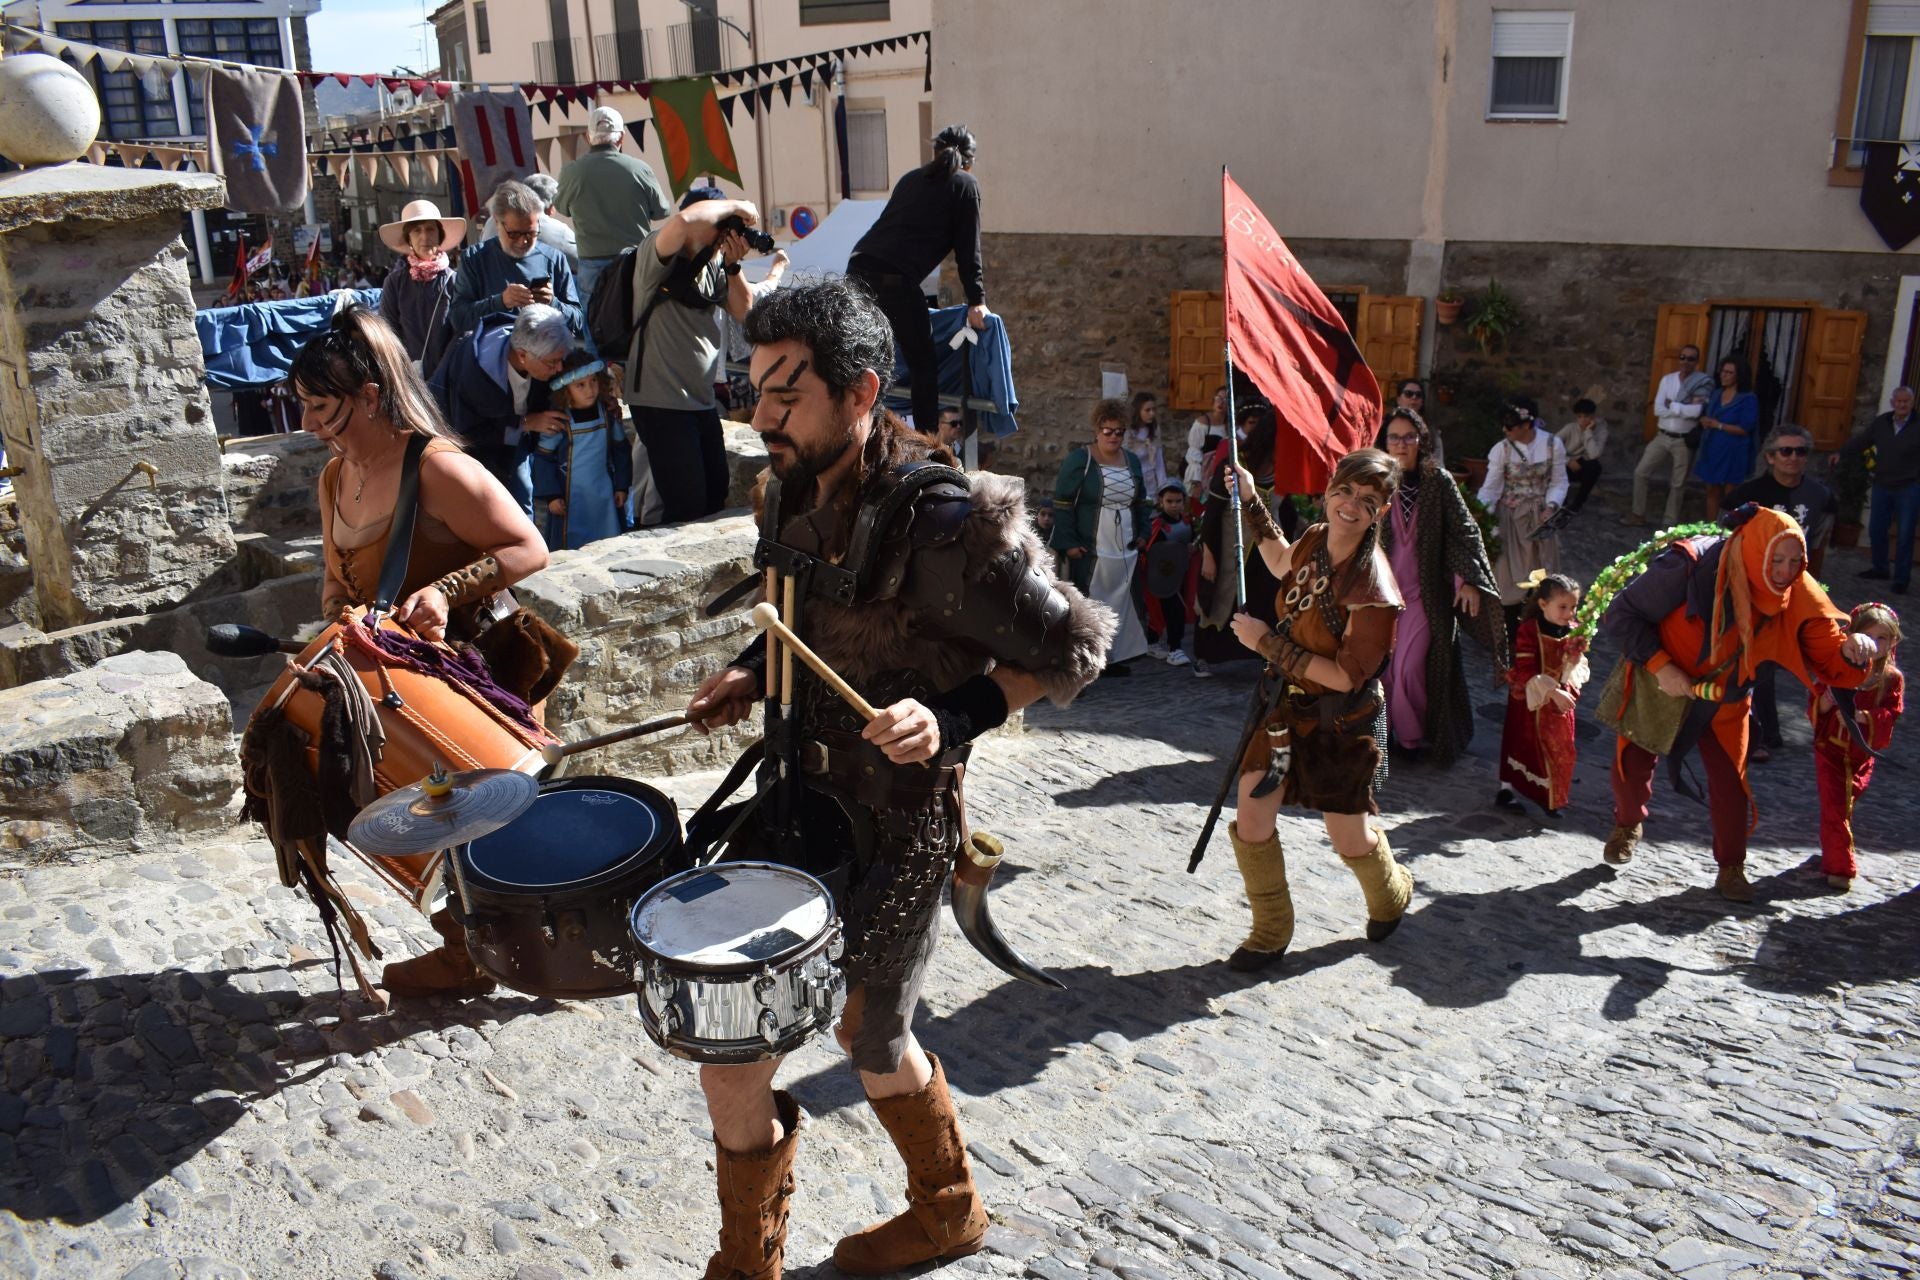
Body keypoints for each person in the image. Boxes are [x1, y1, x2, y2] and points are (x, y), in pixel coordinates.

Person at [678, 278, 1111, 1279]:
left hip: (903, 819)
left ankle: (949, 1208)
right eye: (756, 388)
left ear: (861, 391)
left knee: (872, 1037)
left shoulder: (953, 524)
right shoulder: (785, 488)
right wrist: (751, 672)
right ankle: (749, 1259)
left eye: (787, 394)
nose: (762, 415)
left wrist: (955, 713)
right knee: (732, 1036)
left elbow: (1074, 648)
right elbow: (797, 620)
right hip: (797, 798)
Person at [289, 306, 550, 996]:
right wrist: (335, 631)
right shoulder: (332, 478)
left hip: (474, 673)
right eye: (305, 408)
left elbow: (529, 547)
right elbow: (333, 580)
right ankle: (469, 945)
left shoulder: (434, 468)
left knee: (485, 821)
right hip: (398, 679)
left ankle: (521, 944)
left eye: (322, 408)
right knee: (436, 817)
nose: (310, 426)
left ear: (370, 397)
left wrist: (443, 590)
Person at [1598, 506, 1879, 902]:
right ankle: (1627, 823)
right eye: (1775, 559)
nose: (1784, 571)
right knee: (1632, 765)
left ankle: (1731, 866)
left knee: (1732, 783)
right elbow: (1621, 614)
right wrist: (1661, 665)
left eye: (1794, 561)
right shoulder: (1688, 563)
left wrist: (1852, 653)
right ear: (1754, 549)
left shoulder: (1796, 590)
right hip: (1660, 678)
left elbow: (1833, 662)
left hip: (1726, 696)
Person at [1219, 448, 1412, 972]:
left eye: (1366, 500)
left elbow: (1347, 676)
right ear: (1330, 489)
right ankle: (1270, 930)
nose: (1350, 505)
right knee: (1252, 812)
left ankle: (1391, 894)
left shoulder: (1375, 589)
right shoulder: (1314, 540)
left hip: (1339, 724)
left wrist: (1266, 644)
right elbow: (1281, 560)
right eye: (1344, 491)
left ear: (1382, 510)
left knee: (1346, 834)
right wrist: (1253, 501)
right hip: (1283, 712)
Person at [623, 187, 760, 525]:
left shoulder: (713, 265)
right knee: (686, 503)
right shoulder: (656, 254)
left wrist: (732, 264)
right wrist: (738, 206)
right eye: (721, 225)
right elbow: (683, 221)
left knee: (715, 493)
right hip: (661, 401)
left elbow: (745, 311)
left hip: (699, 400)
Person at [1377, 407, 1505, 764]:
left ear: (1421, 441)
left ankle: (1413, 739)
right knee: (1382, 670)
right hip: (1380, 597)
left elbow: (1465, 531)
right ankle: (1383, 737)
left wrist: (1468, 582)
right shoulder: (1376, 479)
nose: (1401, 444)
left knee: (1408, 668)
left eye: (1408, 437)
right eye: (1394, 437)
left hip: (1424, 597)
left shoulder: (1439, 482)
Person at [847, 124, 989, 434]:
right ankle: (927, 444)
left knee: (869, 358)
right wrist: (977, 301)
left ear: (935, 152)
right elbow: (969, 251)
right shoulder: (965, 185)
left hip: (858, 266)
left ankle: (861, 429)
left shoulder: (912, 178)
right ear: (970, 161)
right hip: (894, 278)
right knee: (923, 366)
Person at [1729, 424, 1838, 761]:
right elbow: (1728, 542)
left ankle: (1770, 731)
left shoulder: (1821, 497)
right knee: (1755, 658)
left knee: (1775, 659)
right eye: (1786, 451)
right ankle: (1760, 733)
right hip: (1751, 588)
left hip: (1794, 589)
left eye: (1800, 451)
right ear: (1770, 457)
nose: (1793, 457)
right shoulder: (1747, 496)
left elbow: (1818, 546)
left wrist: (1813, 591)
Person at [428, 303, 573, 517]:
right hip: (462, 450)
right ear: (523, 355)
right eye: (552, 363)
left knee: (520, 506)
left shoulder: (541, 351)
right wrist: (525, 423)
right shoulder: (475, 372)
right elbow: (467, 433)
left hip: (512, 442)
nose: (559, 369)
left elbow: (572, 374)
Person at [1049, 398, 1152, 674]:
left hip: (1125, 547)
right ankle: (1089, 660)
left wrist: (1144, 533)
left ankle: (1114, 657)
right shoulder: (1080, 460)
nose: (1114, 437)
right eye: (1108, 431)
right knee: (1090, 602)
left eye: (1119, 432)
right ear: (1097, 430)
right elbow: (1062, 503)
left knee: (1121, 602)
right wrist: (1069, 542)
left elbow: (1141, 501)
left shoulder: (1131, 461)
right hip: (1091, 547)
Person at [1809, 603, 1903, 892]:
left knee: (1844, 805)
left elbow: (1891, 713)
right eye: (1869, 636)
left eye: (1883, 638)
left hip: (1861, 756)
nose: (1875, 644)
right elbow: (1815, 703)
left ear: (1893, 641)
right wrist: (1826, 702)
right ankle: (1840, 867)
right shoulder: (1836, 667)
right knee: (1835, 807)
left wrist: (1864, 717)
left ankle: (1833, 846)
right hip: (1831, 750)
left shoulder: (1890, 679)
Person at [555, 105, 671, 304]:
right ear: (621, 137)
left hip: (592, 263)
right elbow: (662, 211)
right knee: (636, 322)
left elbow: (561, 208)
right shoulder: (639, 169)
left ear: (588, 137)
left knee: (595, 325)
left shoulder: (572, 172)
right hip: (635, 261)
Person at [1495, 572, 1588, 819]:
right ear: (1543, 604)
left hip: (1559, 701)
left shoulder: (1574, 629)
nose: (1569, 613)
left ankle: (1551, 795)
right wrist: (1551, 691)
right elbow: (1526, 669)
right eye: (1563, 607)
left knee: (1561, 747)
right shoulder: (1529, 630)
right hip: (1530, 699)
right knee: (1522, 744)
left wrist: (1574, 659)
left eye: (1573, 607)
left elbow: (1574, 667)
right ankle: (1508, 790)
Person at [446, 179, 585, 343]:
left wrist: (553, 302)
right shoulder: (475, 258)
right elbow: (458, 319)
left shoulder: (553, 258)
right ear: (497, 223)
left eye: (531, 233)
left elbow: (578, 322)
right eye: (514, 234)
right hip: (491, 359)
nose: (523, 241)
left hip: (544, 358)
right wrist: (500, 302)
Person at [1479, 401, 1567, 632]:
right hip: (1512, 518)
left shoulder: (1552, 444)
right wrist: (1481, 515)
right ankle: (1509, 624)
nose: (1506, 431)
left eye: (1511, 426)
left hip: (1540, 517)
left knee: (1543, 569)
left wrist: (1551, 506)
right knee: (1509, 571)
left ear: (1527, 424)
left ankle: (1542, 621)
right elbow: (1491, 488)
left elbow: (1559, 481)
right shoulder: (1502, 450)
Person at [532, 351, 631, 550]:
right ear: (565, 389)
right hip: (570, 500)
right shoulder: (559, 421)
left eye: (594, 381)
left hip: (605, 496)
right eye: (580, 385)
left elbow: (621, 450)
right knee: (571, 545)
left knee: (609, 542)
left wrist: (621, 485)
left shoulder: (609, 413)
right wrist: (552, 495)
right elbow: (543, 458)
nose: (590, 389)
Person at [1835, 385, 1920, 594]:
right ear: (1893, 403)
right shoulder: (1882, 423)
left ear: (1912, 403)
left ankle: (1901, 579)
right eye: (1898, 401)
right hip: (1882, 484)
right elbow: (1862, 441)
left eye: (1905, 401)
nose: (1901, 405)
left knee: (1905, 534)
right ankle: (1880, 568)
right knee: (1876, 529)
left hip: (1908, 486)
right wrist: (1841, 453)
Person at [376, 199, 467, 376]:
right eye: (417, 230)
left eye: (430, 229)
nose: (424, 237)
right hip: (409, 378)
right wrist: (406, 370)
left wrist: (444, 370)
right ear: (408, 238)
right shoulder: (395, 283)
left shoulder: (455, 281)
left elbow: (462, 332)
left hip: (450, 376)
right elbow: (387, 332)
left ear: (440, 235)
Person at [1627, 343, 1713, 527]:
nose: (1685, 362)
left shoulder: (1702, 382)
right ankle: (1638, 514)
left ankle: (1669, 522)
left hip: (1684, 439)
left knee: (1678, 483)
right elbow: (1658, 409)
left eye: (1690, 358)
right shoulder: (1667, 380)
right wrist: (1684, 407)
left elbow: (1697, 412)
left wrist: (1672, 405)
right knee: (1641, 472)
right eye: (1682, 357)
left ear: (1697, 361)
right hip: (1662, 435)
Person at [1694, 358, 1759, 519]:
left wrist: (1719, 425)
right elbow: (1709, 415)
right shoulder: (1716, 394)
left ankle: (1730, 531)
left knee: (1731, 493)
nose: (1724, 375)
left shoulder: (1748, 398)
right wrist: (1705, 421)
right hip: (1713, 447)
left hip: (1734, 450)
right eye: (1723, 371)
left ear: (1739, 376)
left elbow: (1745, 428)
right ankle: (1711, 529)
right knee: (1711, 489)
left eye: (1729, 373)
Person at [1142, 484, 1196, 668]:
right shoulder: (1158, 526)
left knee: (1166, 613)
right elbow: (1153, 553)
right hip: (1163, 576)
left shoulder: (1188, 522)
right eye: (1169, 501)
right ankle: (1175, 649)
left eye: (1178, 501)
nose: (1174, 505)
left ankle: (1152, 642)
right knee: (1172, 611)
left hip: (1181, 574)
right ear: (1161, 502)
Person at [1557, 398, 1609, 513]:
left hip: (1583, 464)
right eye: (1579, 416)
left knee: (1595, 467)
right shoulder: (1570, 427)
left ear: (1592, 416)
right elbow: (1552, 444)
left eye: (1586, 416)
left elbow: (1594, 454)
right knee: (1554, 464)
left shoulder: (1601, 430)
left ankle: (1578, 503)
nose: (1582, 420)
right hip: (1567, 464)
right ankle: (1561, 501)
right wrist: (1568, 461)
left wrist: (1588, 432)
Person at [1185, 385, 1230, 502]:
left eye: (1226, 400)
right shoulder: (1202, 423)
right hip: (1203, 472)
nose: (1221, 403)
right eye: (1219, 398)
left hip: (1220, 474)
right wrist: (1197, 481)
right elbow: (1194, 451)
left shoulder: (1231, 426)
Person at [1125, 391, 1172, 498]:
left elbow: (1159, 461)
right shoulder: (1128, 433)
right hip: (1132, 481)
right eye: (1147, 410)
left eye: (1154, 409)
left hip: (1150, 481)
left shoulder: (1154, 430)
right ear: (1138, 411)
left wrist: (1163, 487)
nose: (1152, 413)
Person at [1394, 379, 1443, 469]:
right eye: (1408, 393)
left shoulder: (1431, 431)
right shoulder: (1386, 426)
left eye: (1418, 395)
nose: (1414, 397)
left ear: (1422, 402)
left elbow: (1438, 463)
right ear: (1398, 400)